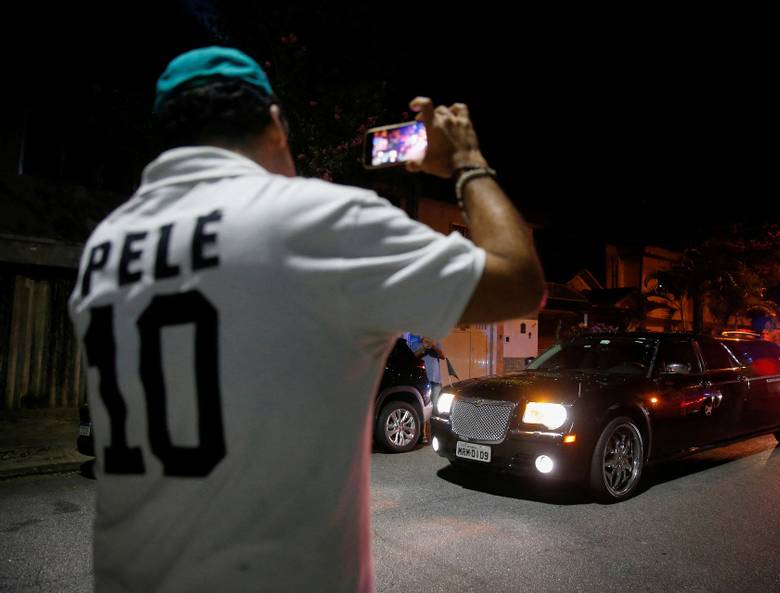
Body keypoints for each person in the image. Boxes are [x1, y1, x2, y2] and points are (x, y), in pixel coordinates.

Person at [68, 46, 544, 593]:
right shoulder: (318, 221)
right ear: (274, 125)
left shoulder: (104, 248)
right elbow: (521, 282)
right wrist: (466, 162)